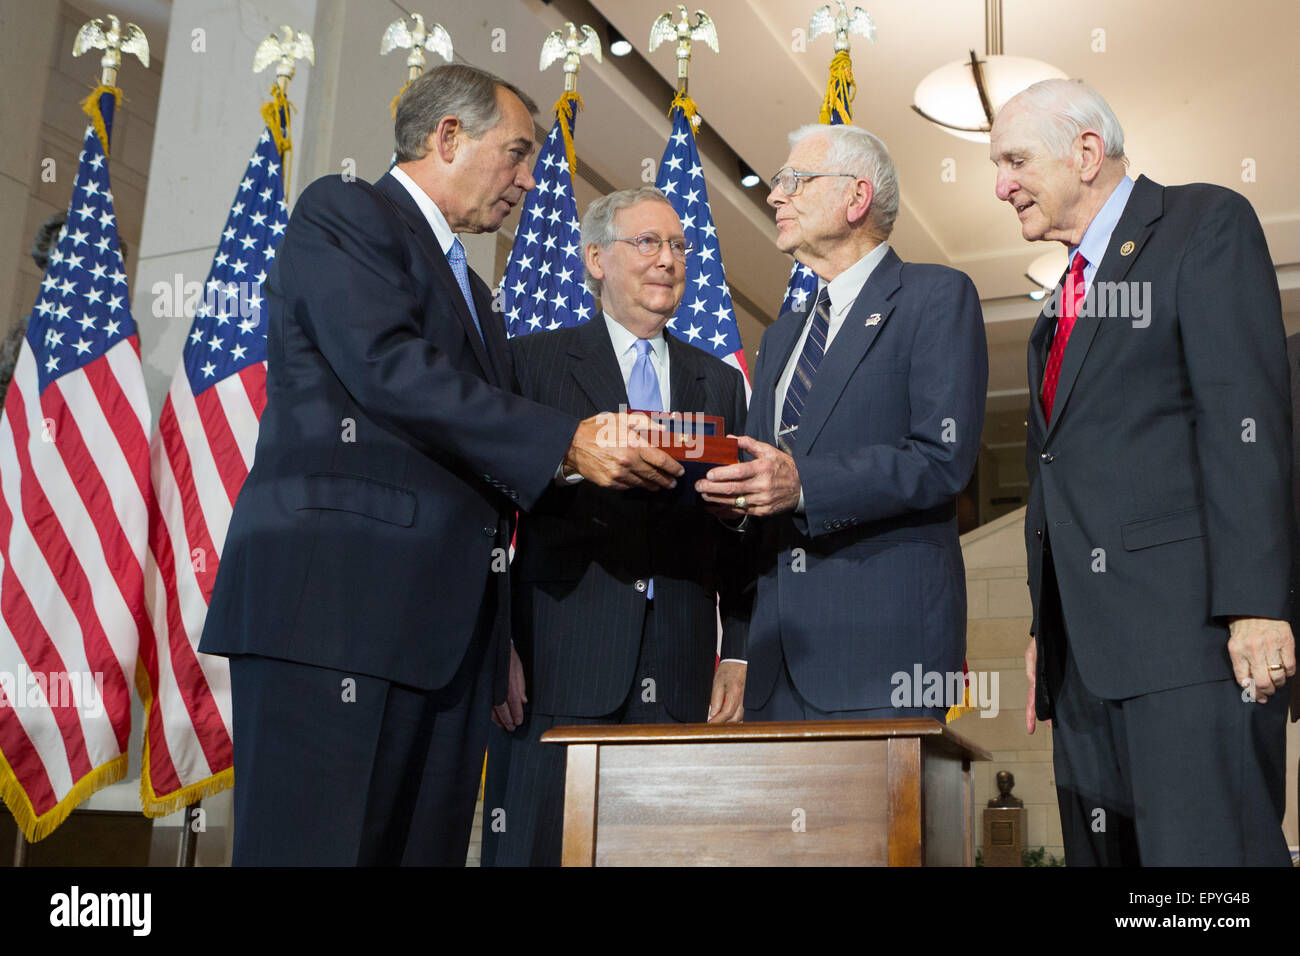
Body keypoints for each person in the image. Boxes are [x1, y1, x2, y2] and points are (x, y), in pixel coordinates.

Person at [198, 64, 683, 866]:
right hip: (338, 622)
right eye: (518, 154)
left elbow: (478, 451)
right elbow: (388, 368)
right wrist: (566, 442)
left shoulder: (475, 288)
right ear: (447, 136)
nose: (529, 181)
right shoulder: (346, 211)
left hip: (449, 644)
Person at [989, 77, 1295, 865]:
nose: (1000, 185)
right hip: (1084, 665)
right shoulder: (1058, 304)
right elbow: (1058, 472)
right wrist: (1043, 626)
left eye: (1015, 160)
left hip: (1192, 645)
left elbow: (1244, 423)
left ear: (1086, 153)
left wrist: (1259, 606)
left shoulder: (1203, 223)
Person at [481, 187, 750, 866]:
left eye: (679, 246)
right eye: (648, 243)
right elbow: (489, 511)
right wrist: (497, 645)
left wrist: (739, 652)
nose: (669, 260)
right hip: (554, 667)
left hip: (682, 675)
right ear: (596, 257)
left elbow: (740, 536)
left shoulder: (719, 382)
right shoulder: (529, 365)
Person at [696, 124, 988, 721]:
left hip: (884, 655)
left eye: (794, 181)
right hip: (777, 660)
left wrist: (803, 486)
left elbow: (941, 459)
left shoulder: (936, 297)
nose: (776, 196)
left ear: (856, 199)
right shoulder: (781, 337)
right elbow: (763, 481)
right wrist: (738, 503)